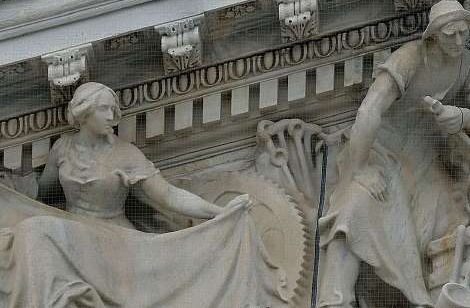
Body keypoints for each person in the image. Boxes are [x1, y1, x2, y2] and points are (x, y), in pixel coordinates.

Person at [0, 82, 288, 307]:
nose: (112, 116)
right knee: (33, 230)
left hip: (112, 238)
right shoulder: (62, 149)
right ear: (84, 113)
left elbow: (168, 195)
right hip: (74, 231)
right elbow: (43, 194)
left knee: (38, 231)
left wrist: (220, 213)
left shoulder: (125, 155)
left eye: (114, 109)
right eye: (105, 109)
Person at [316, 0, 470, 308]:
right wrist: (358, 171)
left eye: (463, 33)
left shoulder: (467, 63)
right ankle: (335, 299)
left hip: (425, 160)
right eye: (450, 34)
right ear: (433, 35)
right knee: (355, 206)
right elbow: (369, 112)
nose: (458, 40)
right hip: (379, 153)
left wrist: (460, 116)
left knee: (446, 228)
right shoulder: (411, 58)